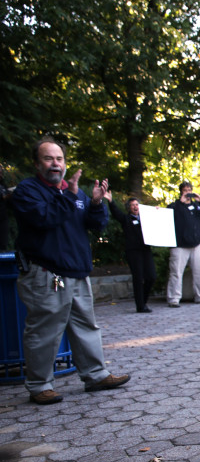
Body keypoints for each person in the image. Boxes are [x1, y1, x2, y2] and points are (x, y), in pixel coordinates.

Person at [11, 136, 130, 405]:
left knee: (86, 326)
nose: (55, 164)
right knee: (45, 330)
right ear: (36, 163)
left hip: (77, 272)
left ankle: (96, 375)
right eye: (48, 158)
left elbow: (95, 225)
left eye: (59, 158)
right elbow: (45, 219)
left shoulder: (73, 192)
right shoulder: (28, 191)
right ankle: (40, 385)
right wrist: (70, 196)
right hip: (46, 273)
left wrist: (97, 205)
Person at [167, 181, 200, 307]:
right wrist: (180, 203)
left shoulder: (197, 207)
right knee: (176, 272)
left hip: (196, 243)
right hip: (180, 244)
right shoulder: (175, 206)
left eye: (189, 190)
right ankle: (174, 299)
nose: (188, 192)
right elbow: (168, 215)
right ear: (181, 192)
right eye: (185, 190)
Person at [106, 194, 156, 313]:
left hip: (146, 250)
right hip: (133, 252)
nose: (135, 207)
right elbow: (116, 213)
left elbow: (157, 221)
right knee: (138, 278)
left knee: (151, 276)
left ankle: (143, 301)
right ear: (129, 208)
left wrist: (157, 211)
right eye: (132, 205)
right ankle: (140, 306)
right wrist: (111, 202)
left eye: (137, 204)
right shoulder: (126, 219)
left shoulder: (145, 218)